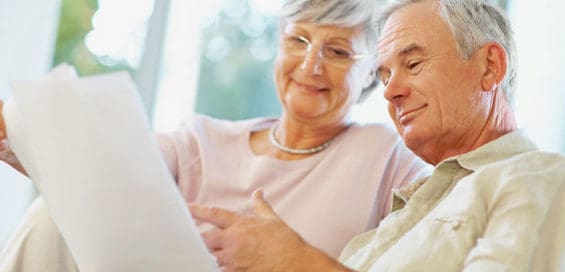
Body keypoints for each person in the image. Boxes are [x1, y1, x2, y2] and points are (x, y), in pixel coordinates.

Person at [0, 0, 430, 270]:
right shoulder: (199, 140)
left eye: (337, 51)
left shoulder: (386, 157)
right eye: (298, 40)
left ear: (371, 74)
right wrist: (31, 142)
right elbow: (107, 170)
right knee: (50, 215)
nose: (311, 65)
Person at [189, 0, 565, 271]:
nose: (389, 91)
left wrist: (295, 261)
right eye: (385, 76)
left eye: (413, 64)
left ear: (490, 66)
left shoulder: (538, 179)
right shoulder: (402, 213)